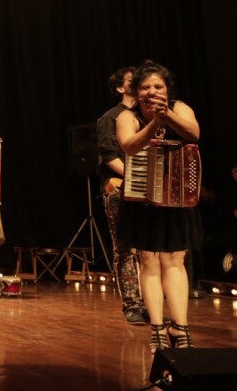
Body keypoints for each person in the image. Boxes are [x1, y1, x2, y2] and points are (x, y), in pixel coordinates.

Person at [115, 60, 202, 353]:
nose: (152, 91)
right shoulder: (128, 117)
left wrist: (167, 115)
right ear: (136, 93)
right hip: (143, 200)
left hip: (176, 198)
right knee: (149, 260)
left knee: (175, 261)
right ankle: (157, 328)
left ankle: (181, 326)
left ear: (167, 90)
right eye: (145, 87)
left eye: (158, 86)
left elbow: (194, 134)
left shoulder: (181, 107)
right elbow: (128, 146)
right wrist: (155, 122)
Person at [96, 66, 150, 325]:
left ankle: (152, 302)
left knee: (150, 249)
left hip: (149, 190)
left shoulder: (145, 116)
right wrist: (138, 178)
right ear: (120, 88)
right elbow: (109, 156)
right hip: (120, 188)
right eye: (133, 80)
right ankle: (132, 304)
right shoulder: (112, 117)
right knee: (125, 249)